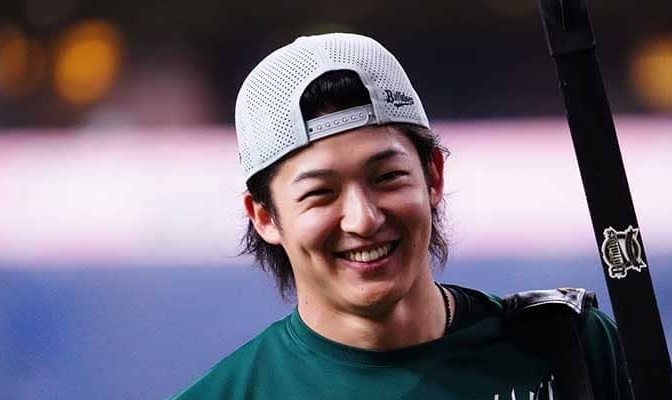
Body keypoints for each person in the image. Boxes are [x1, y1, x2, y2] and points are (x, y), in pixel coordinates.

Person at [170, 33, 633, 400]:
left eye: (387, 177)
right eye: (320, 193)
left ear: (433, 176)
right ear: (265, 217)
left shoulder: (570, 350)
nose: (364, 219)